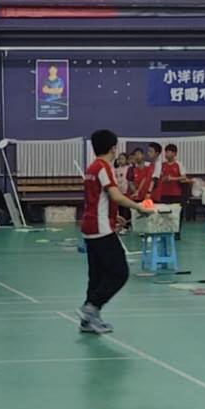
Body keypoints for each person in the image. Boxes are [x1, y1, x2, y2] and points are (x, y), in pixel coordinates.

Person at [78, 129, 150, 334]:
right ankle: (91, 307)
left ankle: (88, 321)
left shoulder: (91, 168)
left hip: (91, 226)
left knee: (97, 275)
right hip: (100, 228)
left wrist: (113, 216)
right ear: (113, 148)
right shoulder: (104, 167)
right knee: (120, 272)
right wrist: (138, 207)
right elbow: (116, 196)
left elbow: (98, 198)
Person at [158, 143, 190, 234]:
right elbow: (159, 177)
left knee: (176, 214)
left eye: (169, 152)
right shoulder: (162, 165)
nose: (166, 154)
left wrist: (172, 178)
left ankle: (176, 232)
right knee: (164, 213)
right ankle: (164, 232)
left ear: (174, 153)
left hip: (176, 194)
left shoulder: (178, 164)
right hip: (164, 193)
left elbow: (184, 177)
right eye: (166, 152)